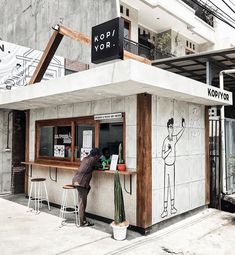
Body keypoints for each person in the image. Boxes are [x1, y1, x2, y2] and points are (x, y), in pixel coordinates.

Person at [161, 117, 185, 218]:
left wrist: (184, 127)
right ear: (167, 128)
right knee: (166, 187)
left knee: (172, 187)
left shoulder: (174, 138)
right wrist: (169, 151)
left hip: (173, 165)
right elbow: (162, 155)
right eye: (170, 127)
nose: (171, 128)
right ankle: (165, 209)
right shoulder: (166, 141)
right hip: (167, 165)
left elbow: (179, 135)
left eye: (172, 127)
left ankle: (172, 207)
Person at [72, 148, 100, 226]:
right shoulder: (93, 160)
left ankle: (79, 208)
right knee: (83, 203)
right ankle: (82, 222)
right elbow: (99, 165)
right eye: (98, 156)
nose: (99, 157)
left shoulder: (85, 158)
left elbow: (90, 167)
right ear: (96, 155)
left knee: (87, 190)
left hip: (76, 180)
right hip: (81, 183)